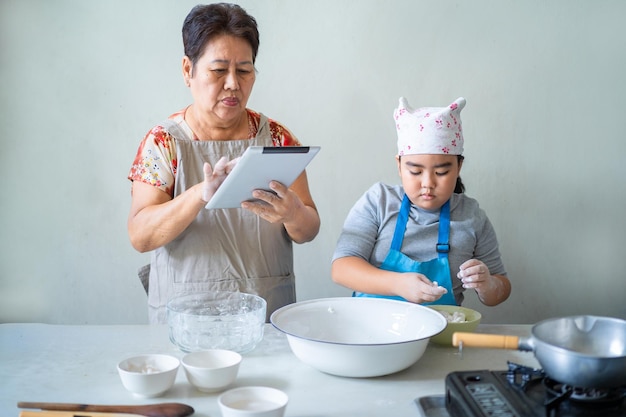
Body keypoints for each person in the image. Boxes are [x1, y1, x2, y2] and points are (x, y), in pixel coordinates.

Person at [127, 3, 320, 323]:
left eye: (244, 70)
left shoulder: (276, 138)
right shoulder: (164, 143)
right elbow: (140, 236)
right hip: (186, 324)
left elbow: (309, 229)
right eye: (218, 71)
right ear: (188, 70)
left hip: (266, 319)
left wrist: (293, 213)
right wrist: (200, 194)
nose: (233, 83)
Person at [331, 97, 510, 307]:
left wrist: (487, 284)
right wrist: (398, 284)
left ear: (459, 166)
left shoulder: (472, 216)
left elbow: (501, 288)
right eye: (415, 171)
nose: (427, 183)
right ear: (399, 166)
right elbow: (341, 269)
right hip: (373, 333)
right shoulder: (378, 201)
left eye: (441, 172)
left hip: (439, 336)